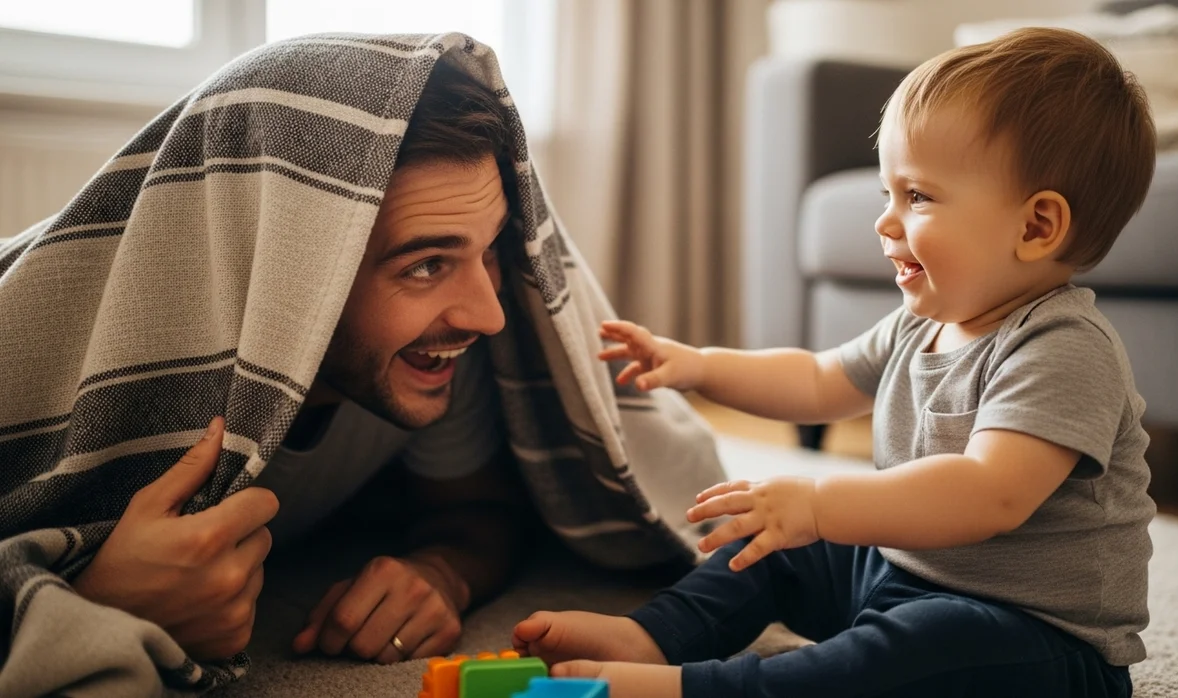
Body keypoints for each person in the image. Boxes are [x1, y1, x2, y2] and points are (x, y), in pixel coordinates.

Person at [0, 33, 723, 696]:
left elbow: (476, 507)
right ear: (289, 268)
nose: (488, 314)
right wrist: (95, 606)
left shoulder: (430, 359)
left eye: (491, 250)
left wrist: (441, 570)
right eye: (427, 264)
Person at [512, 27, 1158, 698]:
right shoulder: (922, 322)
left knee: (909, 651)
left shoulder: (1062, 346)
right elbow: (818, 380)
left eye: (918, 197)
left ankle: (695, 689)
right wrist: (699, 365)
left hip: (1034, 641)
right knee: (778, 543)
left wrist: (823, 503)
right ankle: (655, 634)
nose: (885, 221)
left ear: (1035, 227)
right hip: (905, 577)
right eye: (888, 193)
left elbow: (988, 492)